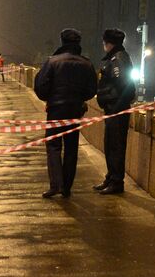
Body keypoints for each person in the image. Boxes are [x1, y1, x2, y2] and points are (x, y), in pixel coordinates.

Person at [33, 28, 97, 198]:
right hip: (75, 110)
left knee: (53, 146)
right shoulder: (87, 64)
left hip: (55, 110)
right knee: (71, 148)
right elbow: (92, 90)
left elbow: (40, 87)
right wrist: (78, 98)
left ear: (62, 42)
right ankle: (67, 187)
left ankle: (55, 184)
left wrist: (50, 98)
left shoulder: (52, 62)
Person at [95, 28, 136, 195]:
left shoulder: (118, 59)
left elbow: (125, 86)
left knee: (116, 147)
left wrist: (117, 108)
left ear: (109, 43)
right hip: (112, 109)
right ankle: (110, 178)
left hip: (117, 111)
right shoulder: (115, 57)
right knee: (110, 145)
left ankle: (117, 182)